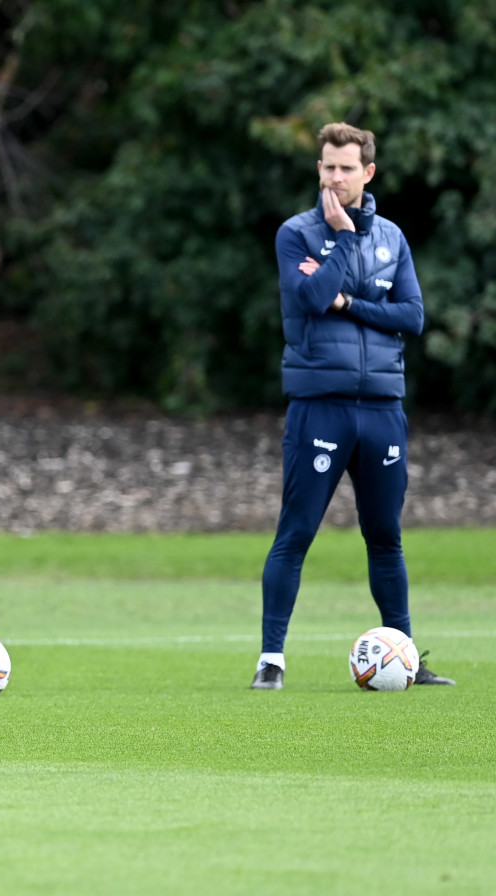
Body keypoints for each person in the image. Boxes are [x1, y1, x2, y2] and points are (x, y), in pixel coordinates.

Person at [253, 123, 454, 690]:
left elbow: (412, 316)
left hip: (383, 408)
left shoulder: (392, 237)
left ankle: (407, 658)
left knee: (385, 537)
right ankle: (271, 661)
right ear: (318, 169)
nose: (335, 178)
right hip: (321, 407)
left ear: (368, 172)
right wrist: (343, 241)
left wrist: (351, 302)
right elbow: (314, 298)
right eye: (328, 167)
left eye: (346, 168)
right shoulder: (296, 234)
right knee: (296, 534)